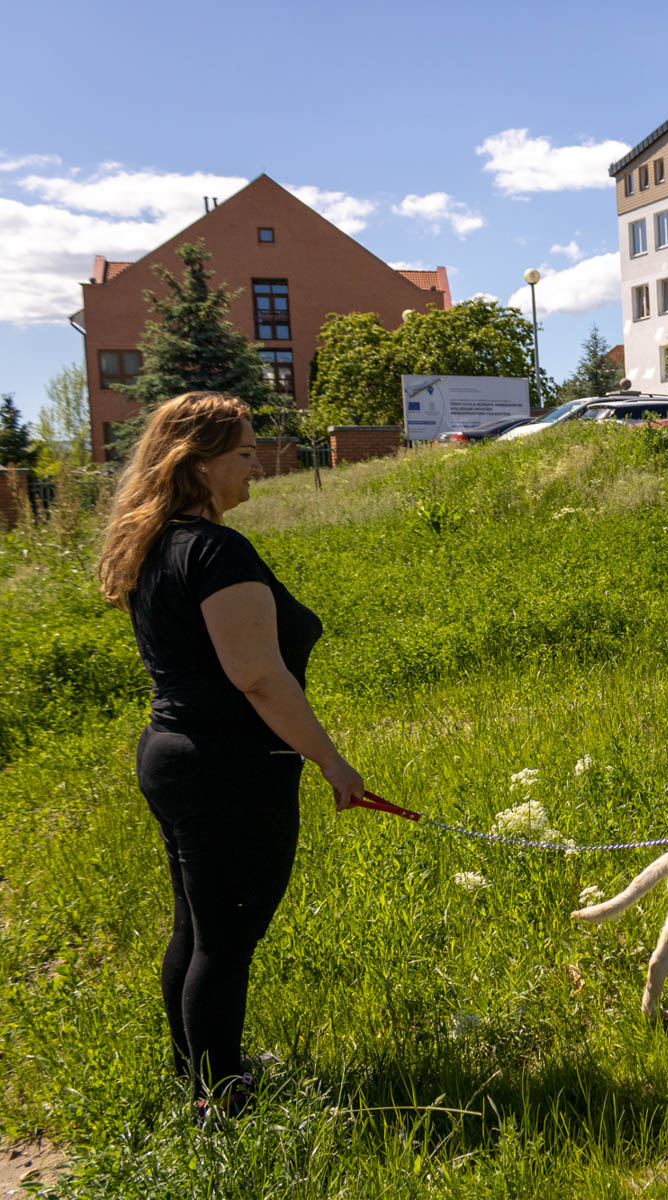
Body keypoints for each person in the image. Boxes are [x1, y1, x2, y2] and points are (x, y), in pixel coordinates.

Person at [96, 392, 365, 1121]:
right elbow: (258, 676)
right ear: (198, 462)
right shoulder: (216, 551)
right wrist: (331, 762)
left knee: (198, 929)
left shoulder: (157, 544)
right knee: (225, 940)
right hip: (229, 769)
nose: (257, 465)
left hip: (175, 755)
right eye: (244, 452)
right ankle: (223, 1103)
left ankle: (201, 1074)